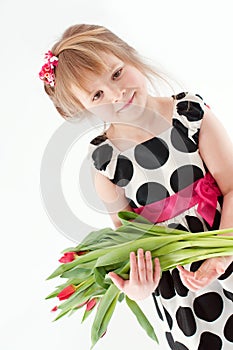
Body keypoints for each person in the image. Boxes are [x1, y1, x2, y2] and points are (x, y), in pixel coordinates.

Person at [39, 24, 233, 350]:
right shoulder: (105, 161)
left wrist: (223, 253)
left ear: (130, 56)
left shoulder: (190, 115)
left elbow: (231, 187)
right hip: (182, 292)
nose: (116, 94)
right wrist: (140, 287)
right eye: (97, 95)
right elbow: (130, 239)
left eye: (116, 73)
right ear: (84, 109)